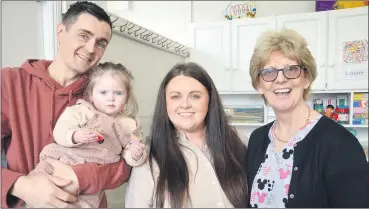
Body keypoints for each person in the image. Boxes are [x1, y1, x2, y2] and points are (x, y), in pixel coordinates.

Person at [1, 2, 131, 208]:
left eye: (101, 43)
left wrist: (82, 177)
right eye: (84, 35)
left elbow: (125, 163)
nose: (90, 49)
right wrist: (22, 186)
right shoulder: (10, 83)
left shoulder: (104, 94)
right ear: (61, 31)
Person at [247, 28, 369, 208]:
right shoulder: (257, 139)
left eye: (291, 69)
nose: (280, 79)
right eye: (269, 72)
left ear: (307, 79)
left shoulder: (340, 144)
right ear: (259, 85)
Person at [125, 62, 248, 208]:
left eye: (195, 96)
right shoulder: (148, 157)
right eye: (175, 97)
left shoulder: (239, 142)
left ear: (210, 99)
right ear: (165, 103)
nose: (185, 104)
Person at [24, 62, 147, 208]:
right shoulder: (82, 111)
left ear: (126, 97)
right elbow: (61, 129)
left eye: (118, 93)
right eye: (103, 93)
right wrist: (75, 135)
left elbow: (132, 150)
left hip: (91, 178)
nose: (111, 98)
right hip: (64, 159)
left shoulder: (128, 125)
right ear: (91, 95)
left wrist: (136, 154)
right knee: (40, 187)